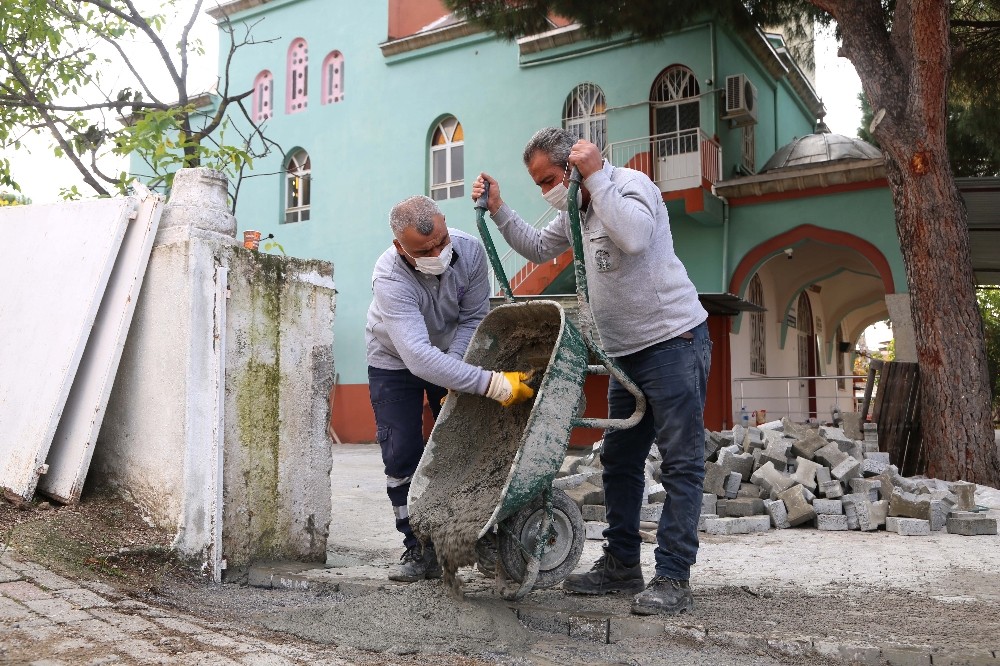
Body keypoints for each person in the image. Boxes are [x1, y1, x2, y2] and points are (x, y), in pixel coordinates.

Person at [471, 128, 711, 616]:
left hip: (671, 342)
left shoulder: (627, 186)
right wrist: (499, 210)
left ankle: (673, 576)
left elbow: (636, 238)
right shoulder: (576, 208)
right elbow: (538, 247)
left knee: (681, 462)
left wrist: (597, 176)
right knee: (620, 463)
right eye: (537, 185)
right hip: (624, 354)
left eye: (548, 179)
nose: (547, 191)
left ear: (573, 164)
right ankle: (623, 565)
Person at [365, 195, 534, 582]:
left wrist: (457, 372)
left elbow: (474, 316)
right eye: (425, 250)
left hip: (448, 353)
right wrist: (490, 384)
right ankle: (418, 548)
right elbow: (419, 358)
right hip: (395, 362)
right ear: (400, 247)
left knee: (462, 441)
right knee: (402, 450)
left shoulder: (470, 251)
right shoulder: (389, 277)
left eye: (442, 241)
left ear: (444, 225)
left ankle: (473, 533)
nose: (439, 252)